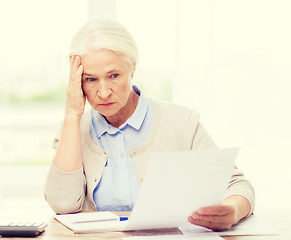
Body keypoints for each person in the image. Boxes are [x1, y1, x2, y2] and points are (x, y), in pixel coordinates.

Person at [44, 18, 255, 231]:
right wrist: (72, 113)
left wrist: (232, 211)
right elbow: (63, 204)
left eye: (114, 75)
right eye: (91, 79)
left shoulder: (181, 122)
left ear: (133, 68)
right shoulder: (73, 130)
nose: (104, 91)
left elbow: (236, 185)